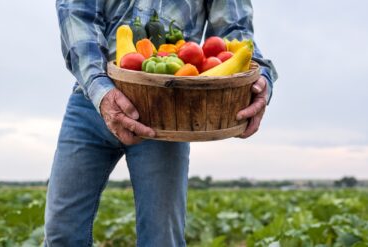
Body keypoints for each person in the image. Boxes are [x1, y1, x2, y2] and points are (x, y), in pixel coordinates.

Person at [44, 0, 277, 246]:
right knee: (63, 233)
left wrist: (258, 76)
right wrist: (100, 89)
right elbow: (76, 13)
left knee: (162, 239)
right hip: (91, 98)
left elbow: (235, 31)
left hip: (167, 108)